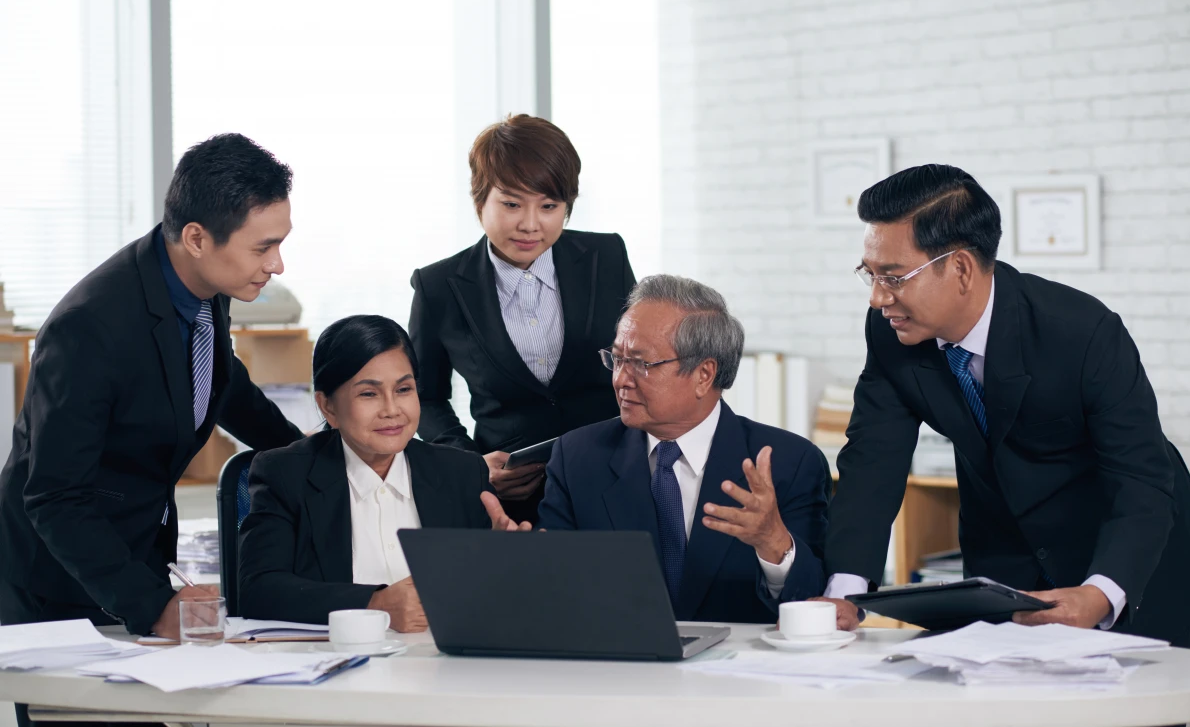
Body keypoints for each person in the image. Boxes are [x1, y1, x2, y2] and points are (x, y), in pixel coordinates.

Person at [816, 164, 1190, 648]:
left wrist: (1100, 593)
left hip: (1129, 556)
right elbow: (873, 459)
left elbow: (1141, 479)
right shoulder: (892, 334)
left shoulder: (1082, 332)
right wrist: (847, 592)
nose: (877, 298)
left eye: (893, 278)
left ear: (959, 269)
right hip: (1004, 553)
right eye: (869, 275)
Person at [0, 134, 304, 725]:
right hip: (56, 578)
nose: (277, 265)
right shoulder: (89, 328)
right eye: (263, 247)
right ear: (196, 237)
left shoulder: (202, 286)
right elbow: (55, 497)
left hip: (130, 553)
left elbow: (224, 385)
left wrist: (317, 453)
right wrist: (154, 606)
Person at [486, 275, 829, 623]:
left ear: (704, 375)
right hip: (622, 668)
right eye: (617, 359)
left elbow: (816, 602)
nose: (621, 379)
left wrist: (773, 543)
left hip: (742, 668)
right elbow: (558, 590)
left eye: (641, 363)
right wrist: (519, 564)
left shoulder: (790, 463)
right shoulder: (578, 457)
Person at [409, 115, 637, 522]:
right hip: (510, 498)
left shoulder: (607, 258)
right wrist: (472, 465)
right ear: (480, 200)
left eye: (549, 206)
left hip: (615, 477)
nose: (531, 224)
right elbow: (427, 395)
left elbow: (639, 359)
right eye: (511, 203)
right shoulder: (439, 285)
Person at [238, 315, 520, 630]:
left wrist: (499, 562)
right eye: (369, 394)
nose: (391, 409)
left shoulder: (462, 472)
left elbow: (477, 596)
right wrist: (374, 603)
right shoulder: (285, 473)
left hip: (441, 663)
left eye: (403, 389)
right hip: (337, 661)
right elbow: (257, 591)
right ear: (328, 406)